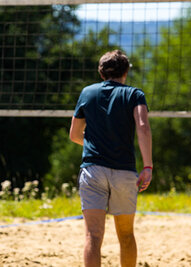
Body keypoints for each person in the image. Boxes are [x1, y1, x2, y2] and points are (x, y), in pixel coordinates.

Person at [69, 50, 152, 267]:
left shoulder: (87, 93)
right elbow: (143, 128)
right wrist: (148, 166)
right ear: (126, 71)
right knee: (126, 235)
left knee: (93, 237)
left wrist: (95, 142)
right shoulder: (135, 94)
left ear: (101, 72)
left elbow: (74, 135)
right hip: (124, 172)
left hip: (93, 170)